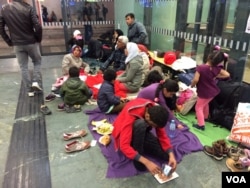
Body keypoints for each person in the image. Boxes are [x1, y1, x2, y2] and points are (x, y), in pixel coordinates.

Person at [0, 0, 51, 115]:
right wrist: (38, 39)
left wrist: (9, 41)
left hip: (17, 44)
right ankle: (35, 82)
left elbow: (1, 28)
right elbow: (37, 26)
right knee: (37, 61)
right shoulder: (28, 8)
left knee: (23, 66)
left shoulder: (4, 9)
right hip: (31, 41)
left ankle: (29, 90)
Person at [112, 98, 177, 174]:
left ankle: (141, 146)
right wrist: (146, 162)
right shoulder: (130, 116)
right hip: (125, 133)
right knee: (141, 124)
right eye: (153, 125)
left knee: (166, 155)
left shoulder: (153, 109)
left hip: (140, 131)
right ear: (147, 116)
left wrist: (170, 154)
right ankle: (138, 156)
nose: (154, 128)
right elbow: (124, 146)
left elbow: (162, 135)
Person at [191, 51, 230, 131]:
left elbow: (195, 79)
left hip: (204, 92)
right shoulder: (217, 68)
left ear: (208, 56)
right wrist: (216, 76)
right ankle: (205, 117)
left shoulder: (200, 68)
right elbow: (227, 75)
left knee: (198, 107)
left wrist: (192, 85)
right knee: (205, 104)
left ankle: (201, 125)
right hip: (213, 91)